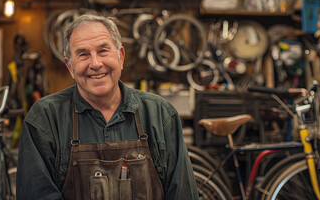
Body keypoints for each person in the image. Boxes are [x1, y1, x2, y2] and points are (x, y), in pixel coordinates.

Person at [16, 12, 198, 199]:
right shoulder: (45, 119)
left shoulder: (161, 115)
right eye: (83, 54)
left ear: (120, 56)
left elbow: (183, 194)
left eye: (103, 51)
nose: (95, 63)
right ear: (70, 67)